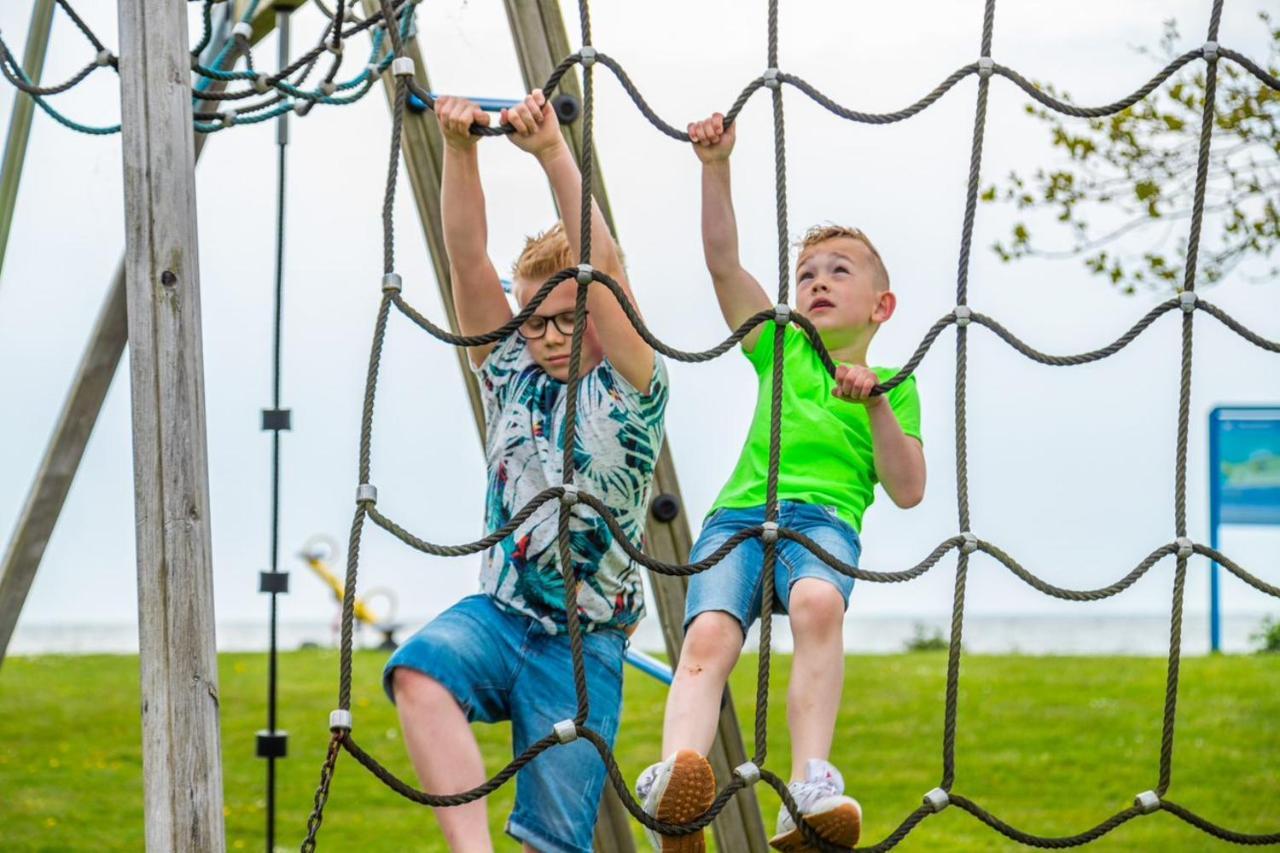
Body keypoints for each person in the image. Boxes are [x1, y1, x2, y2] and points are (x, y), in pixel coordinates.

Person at [384, 90, 668, 853]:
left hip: (585, 643)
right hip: (501, 613)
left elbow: (600, 264)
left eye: (569, 320)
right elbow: (466, 259)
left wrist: (550, 152)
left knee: (554, 838)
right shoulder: (510, 371)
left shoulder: (632, 390)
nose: (547, 335)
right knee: (417, 674)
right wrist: (459, 147)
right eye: (535, 320)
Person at [637, 112, 926, 852]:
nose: (818, 282)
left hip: (822, 522)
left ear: (880, 305)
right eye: (806, 273)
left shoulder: (893, 382)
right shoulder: (780, 347)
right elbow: (725, 265)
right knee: (706, 633)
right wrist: (716, 167)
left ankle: (809, 786)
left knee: (820, 600)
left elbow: (909, 487)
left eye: (839, 271)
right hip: (739, 516)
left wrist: (879, 405)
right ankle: (677, 778)